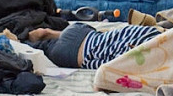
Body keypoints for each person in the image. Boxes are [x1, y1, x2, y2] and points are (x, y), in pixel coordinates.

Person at [24, 24, 162, 70]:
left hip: (79, 30)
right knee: (33, 50)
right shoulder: (144, 58)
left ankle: (47, 33)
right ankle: (20, 42)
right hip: (71, 52)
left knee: (100, 38)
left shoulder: (156, 32)